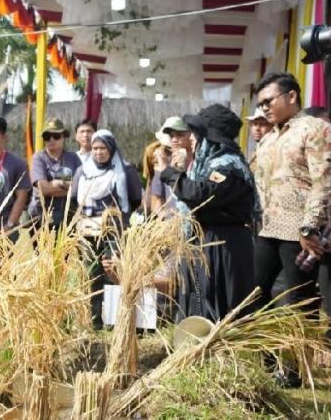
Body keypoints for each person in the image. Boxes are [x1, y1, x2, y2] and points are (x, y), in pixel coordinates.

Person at [159, 104, 257, 322]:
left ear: (210, 138)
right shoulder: (209, 164)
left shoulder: (228, 166)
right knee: (200, 304)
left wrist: (173, 173)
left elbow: (201, 194)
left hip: (224, 246)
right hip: (208, 242)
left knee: (219, 309)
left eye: (197, 134)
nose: (192, 139)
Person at [252, 73, 331, 319]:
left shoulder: (315, 128)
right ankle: (266, 357)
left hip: (299, 232)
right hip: (268, 229)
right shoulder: (268, 139)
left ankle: (303, 356)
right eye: (260, 104)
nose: (264, 108)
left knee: (300, 303)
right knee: (252, 295)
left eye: (268, 101)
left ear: (292, 96)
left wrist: (309, 227)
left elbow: (324, 180)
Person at [70, 129, 143, 328]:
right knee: (91, 273)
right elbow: (75, 198)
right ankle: (94, 320)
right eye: (95, 148)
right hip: (88, 230)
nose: (99, 152)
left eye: (102, 148)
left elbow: (135, 199)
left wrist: (114, 217)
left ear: (111, 148)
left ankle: (114, 320)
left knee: (114, 271)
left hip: (115, 229)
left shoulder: (125, 170)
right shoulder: (83, 171)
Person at [28, 117, 81, 230]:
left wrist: (56, 184)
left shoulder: (73, 158)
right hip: (41, 215)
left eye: (56, 136)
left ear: (63, 138)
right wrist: (67, 186)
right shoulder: (38, 158)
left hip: (68, 216)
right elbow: (43, 189)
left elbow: (80, 188)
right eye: (47, 137)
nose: (51, 140)